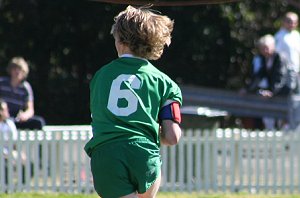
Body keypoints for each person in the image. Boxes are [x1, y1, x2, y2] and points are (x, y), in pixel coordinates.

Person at [84, 5, 182, 198]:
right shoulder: (166, 83)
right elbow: (172, 137)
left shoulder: (101, 76)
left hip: (107, 154)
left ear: (120, 41)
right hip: (144, 154)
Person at [241, 34, 294, 130]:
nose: (265, 51)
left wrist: (271, 92)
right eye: (262, 49)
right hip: (276, 90)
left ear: (273, 46)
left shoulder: (280, 57)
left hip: (287, 91)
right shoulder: (264, 58)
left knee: (286, 117)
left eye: (266, 48)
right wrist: (247, 89)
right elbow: (259, 76)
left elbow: (280, 78)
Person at [0, 56, 45, 130]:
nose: (17, 72)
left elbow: (30, 110)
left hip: (17, 119)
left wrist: (25, 116)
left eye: (20, 69)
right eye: (15, 69)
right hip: (2, 118)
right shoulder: (2, 83)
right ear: (10, 70)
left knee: (39, 122)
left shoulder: (26, 88)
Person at [275, 12, 300, 93]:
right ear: (284, 22)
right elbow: (277, 54)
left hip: (297, 70)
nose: (292, 24)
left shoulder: (296, 35)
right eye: (289, 21)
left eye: (294, 22)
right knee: (290, 93)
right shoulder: (279, 36)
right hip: (286, 71)